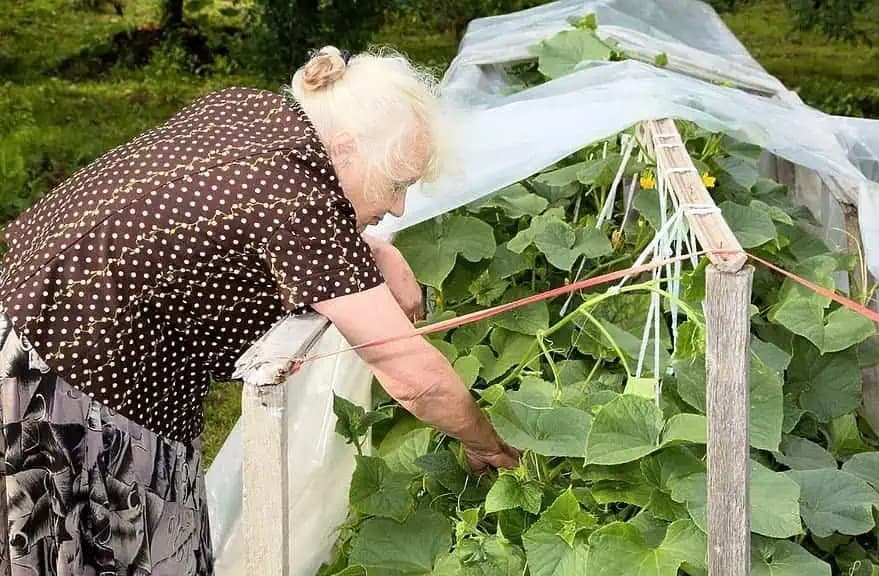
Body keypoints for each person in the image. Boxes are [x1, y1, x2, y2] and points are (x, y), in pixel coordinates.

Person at [0, 46, 519, 575]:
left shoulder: (252, 111)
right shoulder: (299, 202)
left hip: (26, 312)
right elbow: (414, 377)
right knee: (121, 552)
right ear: (345, 149)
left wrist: (374, 248)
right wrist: (489, 444)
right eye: (398, 184)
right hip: (74, 374)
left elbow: (256, 214)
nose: (399, 207)